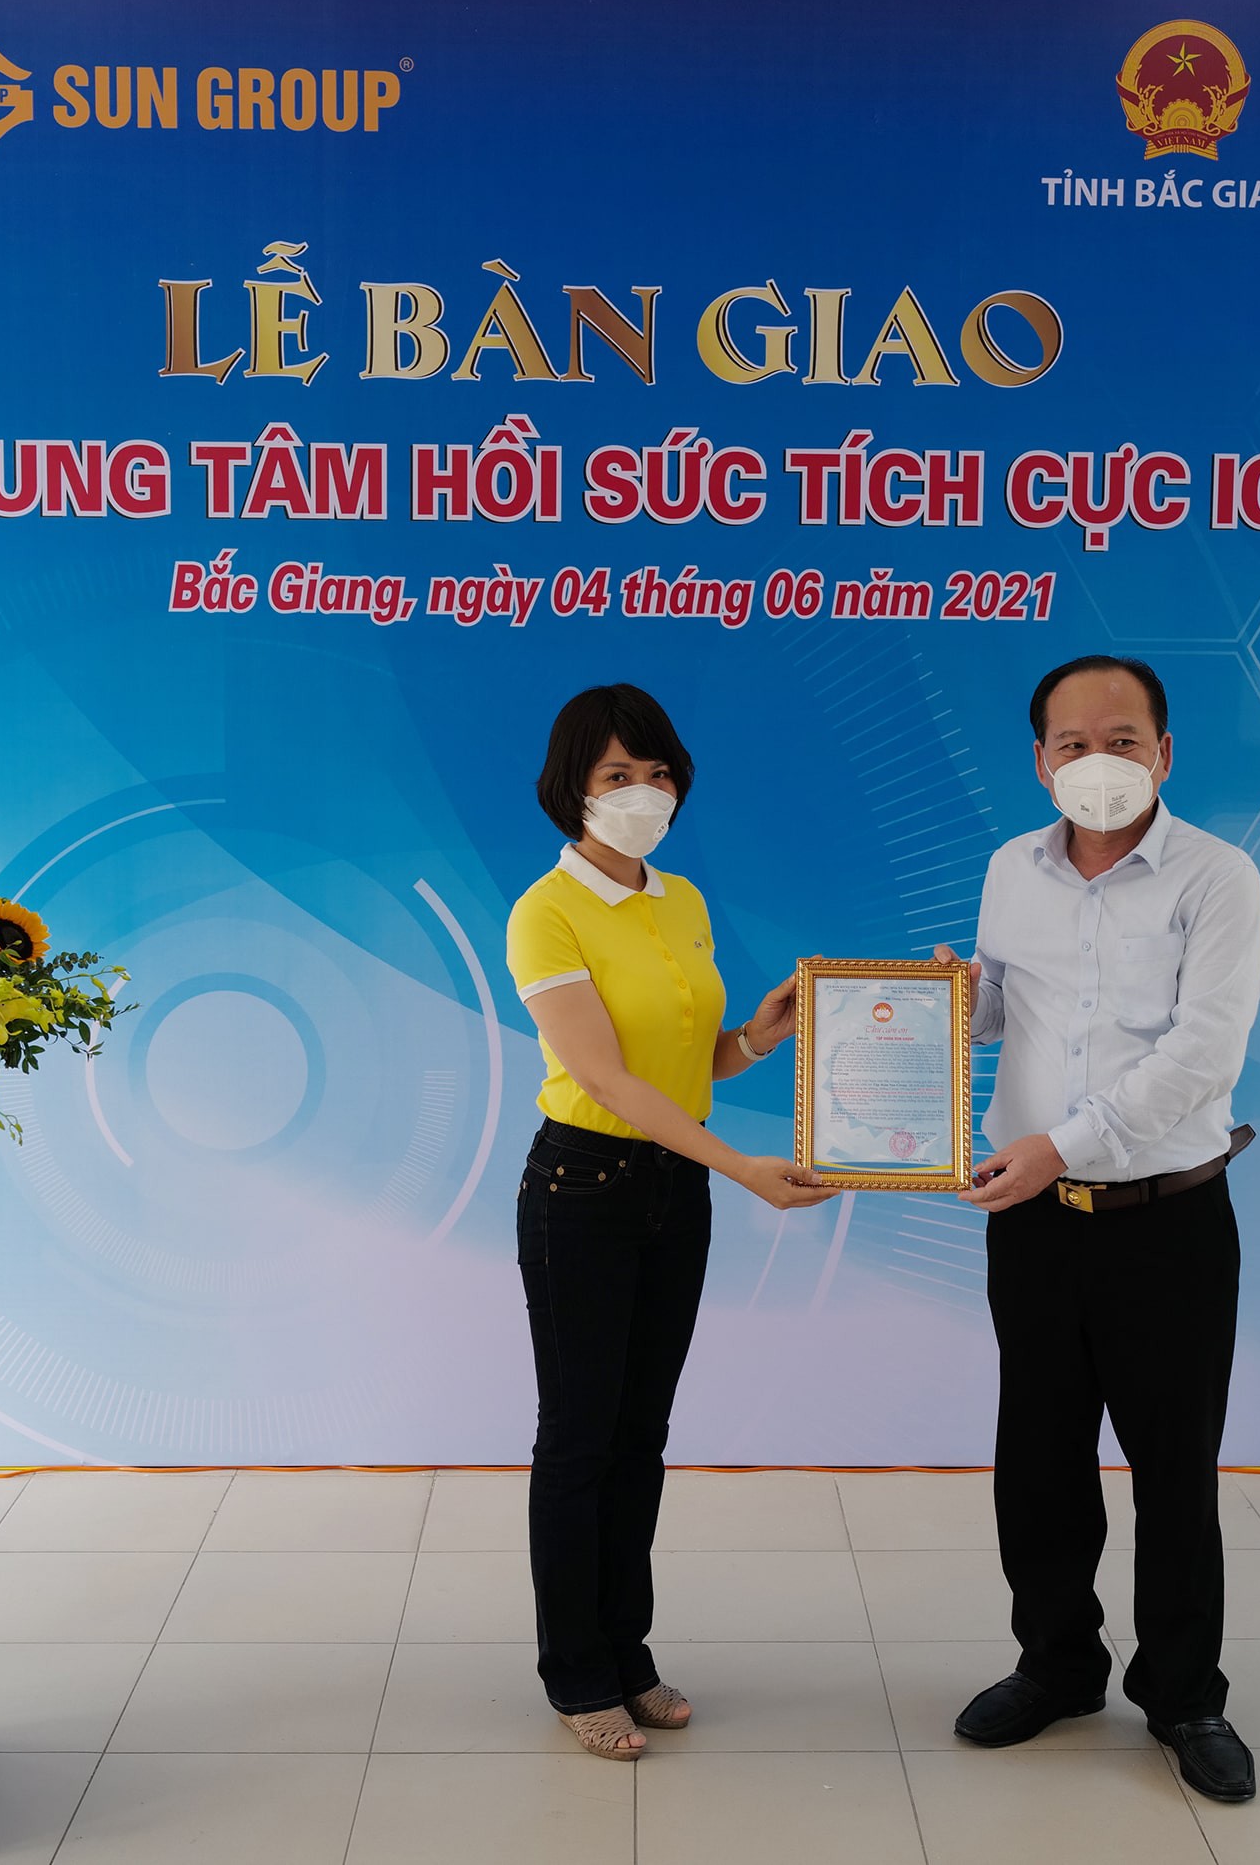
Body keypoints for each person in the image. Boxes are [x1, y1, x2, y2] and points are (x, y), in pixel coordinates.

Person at [934, 654, 1260, 1804]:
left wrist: (1062, 1144)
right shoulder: (1008, 869)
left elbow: (1202, 1054)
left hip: (1165, 1219)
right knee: (1037, 1457)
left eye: (1122, 739)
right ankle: (1057, 1663)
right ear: (1040, 761)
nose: (1097, 761)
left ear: (1164, 753)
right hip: (1030, 1218)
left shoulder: (1218, 878)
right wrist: (950, 1005)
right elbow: (1002, 1014)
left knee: (1172, 1468)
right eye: (1072, 743)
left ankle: (1184, 1692)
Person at [506, 682, 838, 1761]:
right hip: (582, 1188)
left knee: (640, 1433)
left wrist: (760, 1037)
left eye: (657, 773)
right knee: (579, 1438)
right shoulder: (544, 912)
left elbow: (688, 1064)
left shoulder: (681, 899)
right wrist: (742, 1166)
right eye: (617, 775)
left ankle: (628, 1651)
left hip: (671, 1188)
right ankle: (575, 1673)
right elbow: (606, 1077)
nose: (642, 792)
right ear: (573, 788)